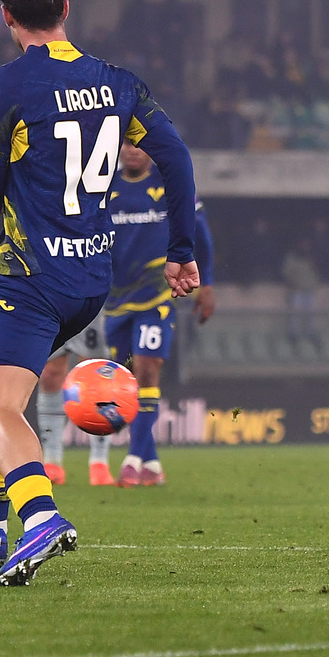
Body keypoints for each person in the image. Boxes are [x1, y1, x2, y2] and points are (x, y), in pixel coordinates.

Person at [0, 0, 199, 586]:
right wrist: (181, 250)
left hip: (28, 275)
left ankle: (38, 518)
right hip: (91, 282)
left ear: (8, 17)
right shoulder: (118, 84)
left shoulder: (7, 85)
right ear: (66, 9)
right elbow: (176, 158)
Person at [102, 139, 216, 488]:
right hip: (116, 299)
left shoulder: (169, 183)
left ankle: (133, 460)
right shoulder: (105, 187)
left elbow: (201, 233)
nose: (133, 149)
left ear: (151, 149)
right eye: (126, 143)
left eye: (139, 143)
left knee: (147, 369)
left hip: (157, 296)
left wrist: (207, 283)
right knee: (125, 379)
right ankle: (150, 461)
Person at [35, 313, 117, 487]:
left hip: (85, 297)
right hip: (53, 302)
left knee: (96, 374)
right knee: (50, 374)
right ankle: (51, 460)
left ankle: (99, 461)